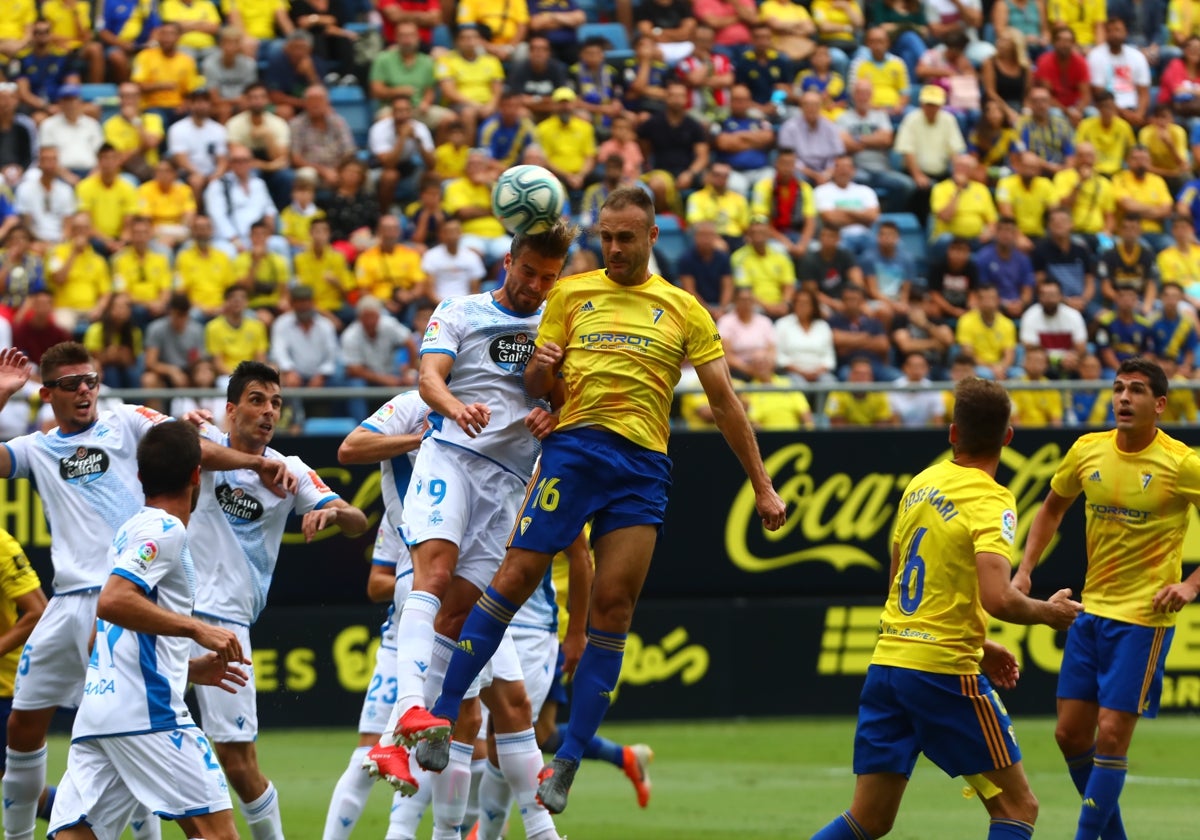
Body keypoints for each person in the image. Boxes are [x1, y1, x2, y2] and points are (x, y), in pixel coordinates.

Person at [409, 186, 787, 815]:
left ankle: (570, 760)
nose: (612, 248)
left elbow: (723, 402)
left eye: (624, 238)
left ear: (652, 237)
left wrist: (762, 483)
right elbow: (539, 386)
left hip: (641, 469)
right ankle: (443, 715)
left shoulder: (684, 309)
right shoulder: (571, 293)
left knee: (614, 606)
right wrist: (545, 366)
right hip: (574, 452)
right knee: (515, 575)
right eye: (605, 236)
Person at [0, 341, 294, 840]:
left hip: (120, 604)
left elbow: (188, 445)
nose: (84, 391)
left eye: (91, 380)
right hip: (84, 601)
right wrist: (4, 395)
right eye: (71, 384)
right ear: (47, 393)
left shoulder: (126, 419)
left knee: (96, 799)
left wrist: (240, 455)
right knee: (23, 731)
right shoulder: (41, 449)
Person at [363, 221, 578, 840]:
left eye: (548, 277)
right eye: (528, 271)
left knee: (459, 620)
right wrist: (454, 407)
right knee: (432, 575)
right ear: (508, 261)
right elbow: (430, 377)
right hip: (451, 456)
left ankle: (397, 738)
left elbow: (568, 397)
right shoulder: (459, 309)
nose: (536, 285)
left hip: (507, 484)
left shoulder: (555, 325)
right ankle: (406, 712)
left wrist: (553, 408)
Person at [810, 376, 1083, 840]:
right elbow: (997, 597)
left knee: (868, 820)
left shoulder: (921, 482)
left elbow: (900, 578)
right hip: (941, 673)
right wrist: (1047, 613)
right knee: (1018, 808)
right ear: (1008, 437)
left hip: (889, 664)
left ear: (952, 433)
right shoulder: (991, 498)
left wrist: (979, 644)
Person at [1014, 357, 1200, 840]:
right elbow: (1052, 507)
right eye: (1118, 388)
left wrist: (1190, 586)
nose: (1123, 398)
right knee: (1070, 734)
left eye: (1136, 390)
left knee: (1113, 735)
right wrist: (1025, 569)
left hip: (1143, 618)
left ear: (1159, 405)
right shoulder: (1087, 451)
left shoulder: (1182, 463)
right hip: (1091, 613)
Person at [187, 361, 369, 839]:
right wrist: (255, 463)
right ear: (231, 409)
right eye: (256, 400)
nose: (268, 412)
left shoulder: (294, 471)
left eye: (276, 403)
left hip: (225, 625)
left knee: (237, 761)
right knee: (141, 740)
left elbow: (359, 521)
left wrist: (333, 514)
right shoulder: (204, 443)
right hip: (167, 617)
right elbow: (194, 451)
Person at [46, 420, 248, 840]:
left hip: (100, 712)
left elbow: (103, 630)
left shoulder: (128, 531)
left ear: (140, 478)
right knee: (217, 833)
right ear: (197, 474)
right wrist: (197, 629)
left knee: (77, 834)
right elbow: (114, 602)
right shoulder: (165, 530)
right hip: (148, 713)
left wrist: (187, 669)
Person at [325, 390, 429, 840]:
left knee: (451, 736)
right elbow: (376, 584)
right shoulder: (400, 507)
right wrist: (414, 440)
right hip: (402, 630)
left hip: (431, 603)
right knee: (385, 745)